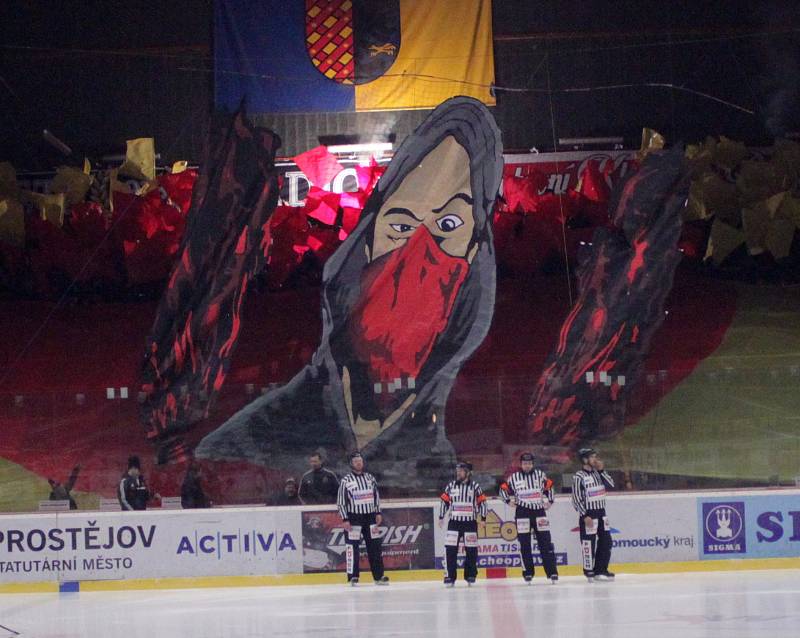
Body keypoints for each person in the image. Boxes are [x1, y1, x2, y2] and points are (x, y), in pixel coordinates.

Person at [500, 452, 559, 583]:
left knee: (546, 543)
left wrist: (550, 501)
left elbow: (550, 486)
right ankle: (528, 573)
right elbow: (503, 489)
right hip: (522, 513)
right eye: (525, 463)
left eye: (529, 463)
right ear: (521, 464)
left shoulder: (540, 475)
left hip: (539, 512)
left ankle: (552, 573)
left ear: (533, 464)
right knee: (525, 544)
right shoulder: (514, 477)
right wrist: (508, 501)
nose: (527, 466)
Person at [336, 452, 388, 586]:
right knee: (352, 548)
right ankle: (353, 577)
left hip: (370, 517)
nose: (359, 463)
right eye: (356, 461)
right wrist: (345, 519)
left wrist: (378, 512)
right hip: (354, 518)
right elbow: (341, 501)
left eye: (360, 461)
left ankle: (379, 576)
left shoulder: (370, 478)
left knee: (375, 546)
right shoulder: (346, 481)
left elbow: (376, 496)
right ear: (351, 464)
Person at [438, 461, 487, 587]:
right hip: (454, 522)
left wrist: (483, 518)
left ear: (468, 473)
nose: (458, 473)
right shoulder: (451, 486)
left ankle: (470, 575)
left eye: (461, 471)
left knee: (471, 550)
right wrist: (441, 516)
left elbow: (482, 502)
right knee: (450, 550)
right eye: (457, 471)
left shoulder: (475, 486)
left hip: (470, 522)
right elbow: (444, 501)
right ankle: (450, 576)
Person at [572, 447, 615, 582]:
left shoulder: (598, 473)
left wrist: (602, 470)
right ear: (585, 460)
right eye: (592, 457)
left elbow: (611, 484)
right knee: (588, 544)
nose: (595, 459)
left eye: (595, 456)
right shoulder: (579, 477)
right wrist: (585, 515)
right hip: (589, 514)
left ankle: (601, 570)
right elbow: (576, 499)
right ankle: (589, 571)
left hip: (602, 513)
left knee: (606, 541)